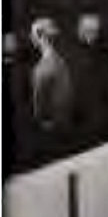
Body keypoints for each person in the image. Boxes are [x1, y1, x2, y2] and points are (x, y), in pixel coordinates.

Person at [68, 13, 108, 147]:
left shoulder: (106, 58)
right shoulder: (72, 58)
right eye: (87, 31)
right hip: (87, 125)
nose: (90, 35)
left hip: (99, 124)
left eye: (93, 31)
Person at [29, 17, 75, 160]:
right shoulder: (62, 62)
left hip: (51, 136)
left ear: (40, 36)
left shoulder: (42, 69)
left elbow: (39, 109)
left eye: (33, 34)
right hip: (66, 131)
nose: (31, 38)